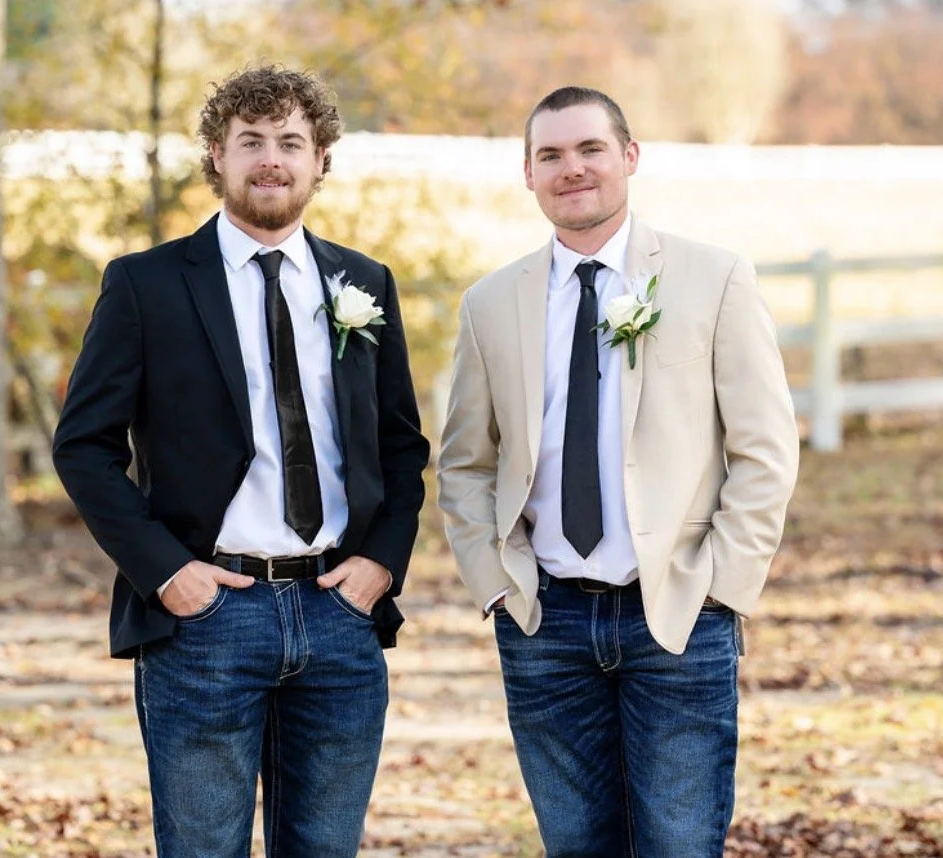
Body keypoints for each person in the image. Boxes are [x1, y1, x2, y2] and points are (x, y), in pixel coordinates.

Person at [52, 66, 430, 858]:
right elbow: (84, 447)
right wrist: (167, 572)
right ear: (216, 157)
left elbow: (400, 444)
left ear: (321, 159)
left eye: (291, 142)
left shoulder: (363, 283)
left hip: (339, 614)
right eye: (250, 141)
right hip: (206, 619)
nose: (271, 159)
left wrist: (381, 566)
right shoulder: (146, 284)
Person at [437, 86, 799, 856]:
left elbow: (765, 449)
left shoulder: (714, 278)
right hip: (546, 621)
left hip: (677, 613)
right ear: (528, 173)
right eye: (551, 155)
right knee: (576, 846)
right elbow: (466, 462)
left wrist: (723, 586)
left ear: (629, 158)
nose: (573, 169)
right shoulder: (490, 304)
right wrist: (496, 583)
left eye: (590, 149)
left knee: (678, 844)